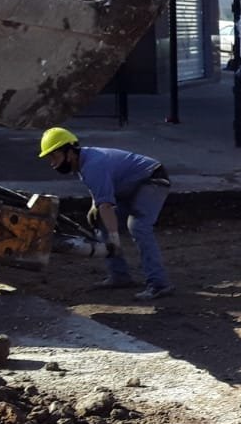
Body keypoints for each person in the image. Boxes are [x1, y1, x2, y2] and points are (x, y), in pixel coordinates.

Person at [38, 127, 174, 300]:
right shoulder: (84, 162)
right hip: (131, 186)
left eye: (54, 156)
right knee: (101, 221)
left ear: (69, 152)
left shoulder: (93, 165)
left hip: (153, 180)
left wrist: (114, 238)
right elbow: (102, 197)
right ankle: (120, 276)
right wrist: (96, 209)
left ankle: (159, 284)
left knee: (139, 226)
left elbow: (106, 206)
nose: (52, 163)